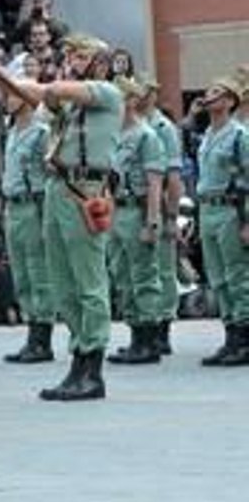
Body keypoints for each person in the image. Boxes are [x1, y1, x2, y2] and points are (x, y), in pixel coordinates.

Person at [0, 34, 120, 401]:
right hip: (58, 187)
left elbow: (45, 90)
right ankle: (78, 357)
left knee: (89, 281)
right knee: (62, 281)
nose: (71, 59)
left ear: (101, 64)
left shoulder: (106, 93)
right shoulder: (64, 104)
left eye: (80, 55)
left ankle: (93, 366)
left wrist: (36, 86)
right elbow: (27, 92)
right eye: (69, 54)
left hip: (85, 189)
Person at [106, 78, 167, 366]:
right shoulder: (113, 134)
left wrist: (152, 221)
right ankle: (135, 336)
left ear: (131, 101)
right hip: (115, 210)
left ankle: (150, 338)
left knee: (143, 274)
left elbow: (155, 182)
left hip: (137, 208)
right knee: (122, 274)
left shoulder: (146, 136)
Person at [191, 78, 249, 366]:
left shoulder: (240, 135)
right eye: (207, 91)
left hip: (230, 210)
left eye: (215, 93)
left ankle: (244, 338)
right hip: (207, 208)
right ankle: (230, 336)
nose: (207, 97)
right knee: (217, 277)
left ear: (229, 101)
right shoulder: (206, 135)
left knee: (237, 275)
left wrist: (247, 221)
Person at [0, 90, 55, 364]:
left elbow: (49, 176)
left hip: (33, 205)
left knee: (38, 272)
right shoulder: (12, 131)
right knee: (21, 274)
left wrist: (47, 219)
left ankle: (42, 337)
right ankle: (31, 330)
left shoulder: (40, 132)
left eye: (11, 94)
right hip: (14, 205)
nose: (5, 99)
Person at [134, 75, 184, 354]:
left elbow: (173, 176)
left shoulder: (162, 127)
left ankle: (162, 328)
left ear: (153, 94)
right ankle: (145, 327)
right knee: (140, 271)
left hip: (159, 201)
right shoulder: (129, 124)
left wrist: (171, 217)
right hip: (134, 202)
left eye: (143, 91)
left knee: (163, 270)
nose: (138, 96)